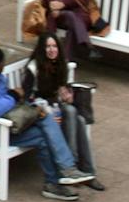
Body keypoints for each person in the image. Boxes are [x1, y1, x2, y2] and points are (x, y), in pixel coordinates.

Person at [0, 40, 96, 201]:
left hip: (11, 122)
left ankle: (66, 171)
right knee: (43, 136)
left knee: (45, 117)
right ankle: (57, 179)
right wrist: (13, 95)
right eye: (1, 63)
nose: (3, 65)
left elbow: (3, 100)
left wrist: (26, 104)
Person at [16, 31, 101, 189]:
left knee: (78, 118)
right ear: (42, 49)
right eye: (47, 46)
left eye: (54, 46)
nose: (51, 50)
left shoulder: (60, 64)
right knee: (71, 113)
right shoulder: (34, 67)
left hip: (56, 106)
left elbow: (61, 89)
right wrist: (46, 106)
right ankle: (72, 167)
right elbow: (27, 97)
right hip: (40, 110)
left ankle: (88, 171)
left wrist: (66, 95)